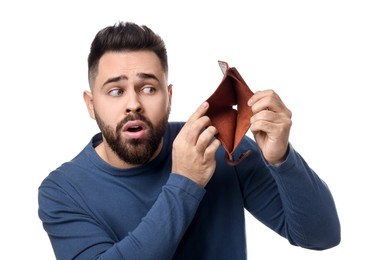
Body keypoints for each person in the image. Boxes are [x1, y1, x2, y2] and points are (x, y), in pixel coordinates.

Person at [38, 21, 340, 260]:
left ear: (169, 97)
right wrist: (185, 182)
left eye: (148, 88)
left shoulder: (218, 146)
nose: (133, 104)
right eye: (115, 91)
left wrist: (282, 160)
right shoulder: (62, 191)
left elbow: (321, 236)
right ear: (91, 105)